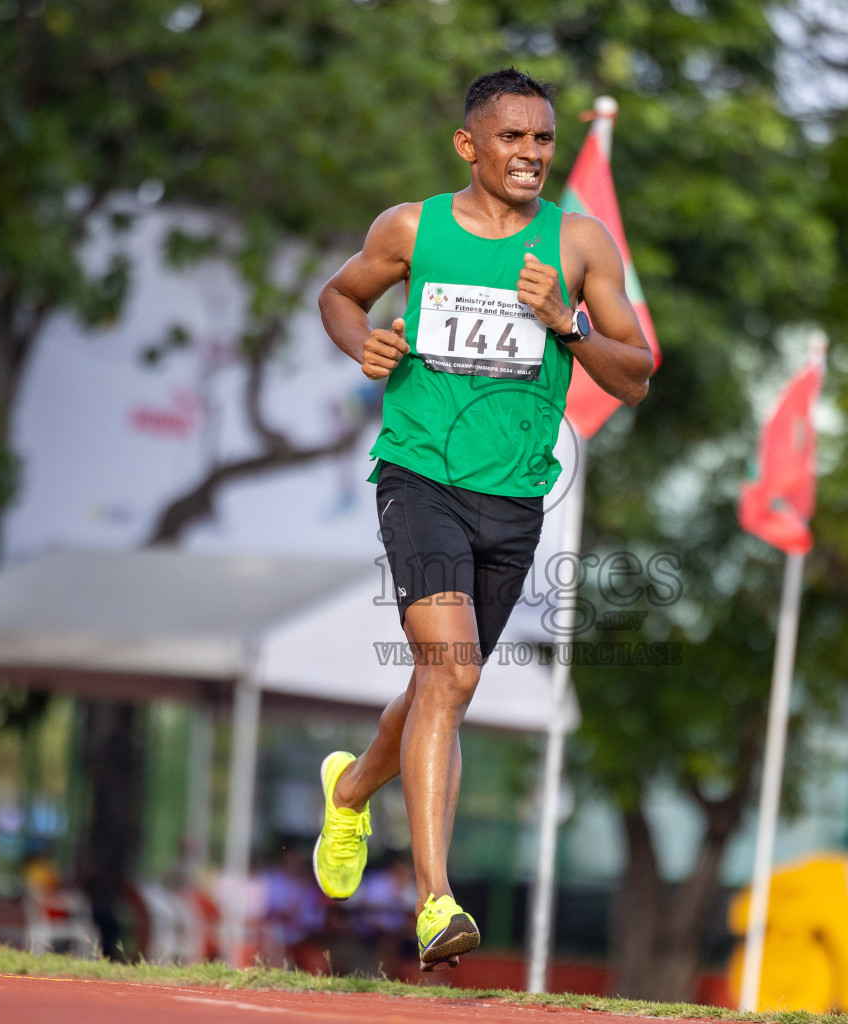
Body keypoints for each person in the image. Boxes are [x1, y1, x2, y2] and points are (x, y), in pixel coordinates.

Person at [315, 67, 652, 971]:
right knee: (453, 678)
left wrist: (568, 325)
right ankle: (435, 903)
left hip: (515, 499)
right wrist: (365, 343)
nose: (533, 155)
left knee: (440, 686)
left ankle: (349, 793)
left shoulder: (578, 245)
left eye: (544, 139)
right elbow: (339, 296)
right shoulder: (411, 228)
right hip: (419, 476)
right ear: (470, 145)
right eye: (513, 138)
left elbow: (638, 371)